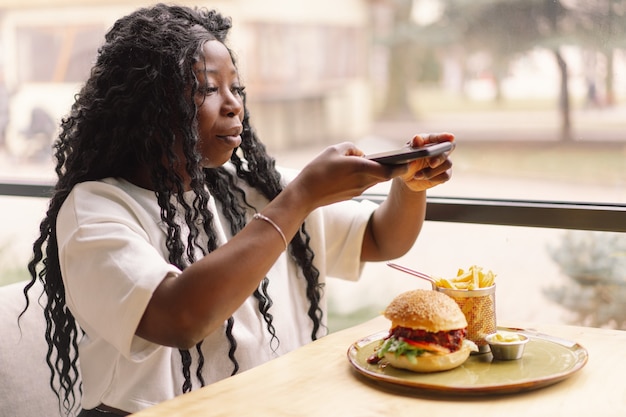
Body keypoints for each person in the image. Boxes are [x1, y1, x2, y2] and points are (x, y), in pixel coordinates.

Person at [22, 4, 454, 417]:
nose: (233, 104)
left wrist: (410, 184)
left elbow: (381, 238)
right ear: (146, 105)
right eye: (209, 88)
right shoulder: (95, 209)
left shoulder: (252, 188)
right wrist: (301, 198)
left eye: (236, 88)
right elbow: (178, 317)